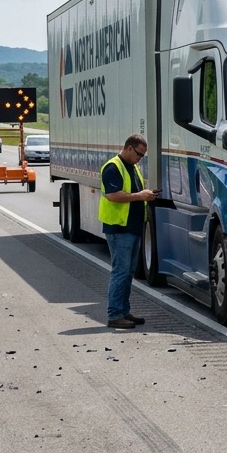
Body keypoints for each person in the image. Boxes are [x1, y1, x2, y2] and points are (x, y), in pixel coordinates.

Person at [99, 134, 160, 329]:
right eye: (139, 154)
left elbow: (132, 194)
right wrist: (140, 195)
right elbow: (113, 195)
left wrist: (146, 195)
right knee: (121, 271)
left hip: (132, 227)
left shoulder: (133, 168)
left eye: (142, 156)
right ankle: (115, 314)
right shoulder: (113, 167)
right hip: (119, 228)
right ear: (129, 148)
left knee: (128, 273)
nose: (140, 158)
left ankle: (123, 311)